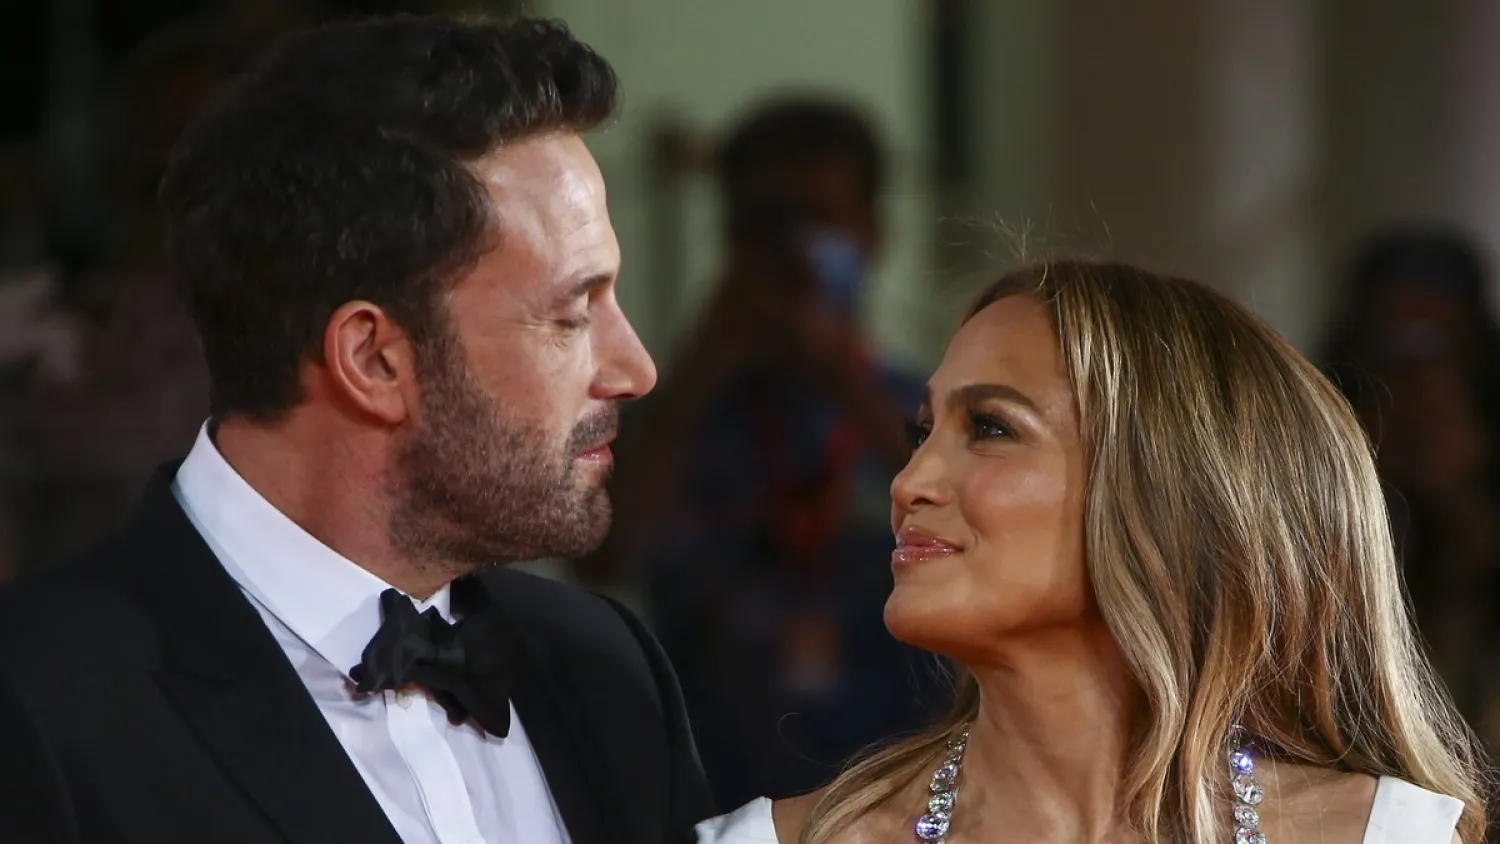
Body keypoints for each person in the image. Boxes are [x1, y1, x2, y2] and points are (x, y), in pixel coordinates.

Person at [0, 15, 714, 844]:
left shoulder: (604, 668)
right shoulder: (37, 706)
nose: (634, 369)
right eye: (570, 315)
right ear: (373, 360)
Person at [696, 259, 1488, 843]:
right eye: (922, 432)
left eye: (992, 428)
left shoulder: (1392, 836)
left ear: (1167, 491)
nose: (909, 480)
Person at [589, 97, 937, 808]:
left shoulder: (924, 412)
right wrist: (704, 362)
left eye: (817, 224)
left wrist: (842, 376)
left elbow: (979, 536)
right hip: (708, 791)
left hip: (900, 788)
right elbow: (602, 558)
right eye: (762, 228)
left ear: (870, 235)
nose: (789, 254)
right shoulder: (672, 415)